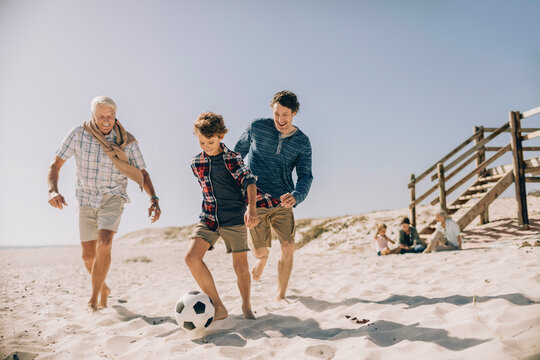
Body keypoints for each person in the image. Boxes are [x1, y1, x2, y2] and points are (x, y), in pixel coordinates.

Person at [47, 96, 161, 312]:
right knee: (88, 256)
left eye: (110, 116)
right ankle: (104, 288)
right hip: (86, 198)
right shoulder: (78, 134)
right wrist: (53, 190)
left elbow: (142, 173)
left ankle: (93, 298)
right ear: (93, 115)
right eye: (101, 116)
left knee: (105, 243)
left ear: (115, 116)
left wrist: (153, 199)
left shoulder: (127, 141)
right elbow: (56, 165)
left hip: (113, 197)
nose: (106, 121)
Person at [186, 112, 279, 320]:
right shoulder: (196, 163)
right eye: (201, 142)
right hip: (209, 217)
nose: (206, 146)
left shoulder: (232, 158)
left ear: (221, 136)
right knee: (191, 258)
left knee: (240, 267)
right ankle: (218, 306)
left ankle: (246, 307)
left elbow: (250, 183)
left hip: (235, 218)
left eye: (210, 141)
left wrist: (252, 209)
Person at [234, 90, 313, 302]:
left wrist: (297, 195)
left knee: (288, 245)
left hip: (283, 199)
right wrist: (238, 185)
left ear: (294, 113)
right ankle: (263, 258)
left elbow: (306, 174)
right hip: (256, 197)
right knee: (260, 250)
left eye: (285, 115)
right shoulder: (257, 127)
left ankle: (281, 294)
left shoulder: (302, 142)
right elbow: (237, 155)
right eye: (277, 114)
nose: (280, 120)